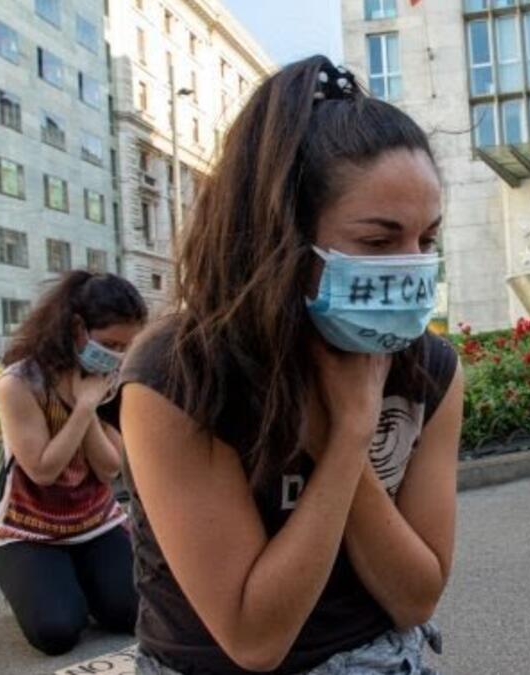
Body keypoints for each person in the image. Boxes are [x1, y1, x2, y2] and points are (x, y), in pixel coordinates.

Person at [118, 57, 462, 675]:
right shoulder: (179, 377)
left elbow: (416, 597)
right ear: (282, 239)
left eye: (427, 240)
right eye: (379, 242)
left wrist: (344, 435)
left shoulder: (429, 370)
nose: (411, 267)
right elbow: (254, 637)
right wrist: (349, 434)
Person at [0, 270, 148, 655]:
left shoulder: (109, 376)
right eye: (110, 343)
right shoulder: (20, 382)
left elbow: (110, 468)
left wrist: (92, 406)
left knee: (132, 614)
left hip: (96, 524)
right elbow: (43, 470)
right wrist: (82, 407)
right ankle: (33, 584)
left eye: (127, 347)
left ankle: (81, 579)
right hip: (32, 532)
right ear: (77, 328)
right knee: (57, 632)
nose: (117, 356)